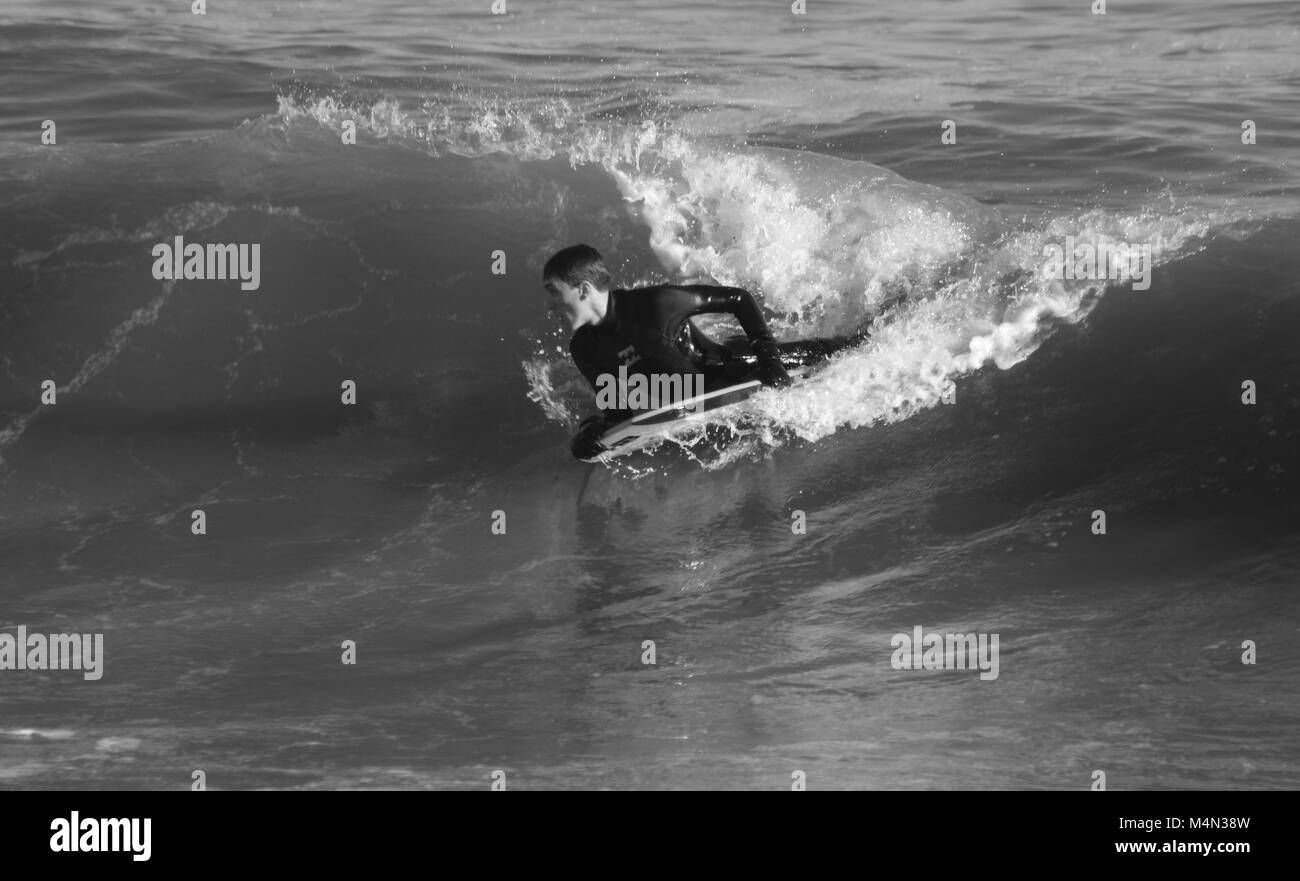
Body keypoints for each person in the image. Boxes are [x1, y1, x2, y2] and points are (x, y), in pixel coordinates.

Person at [543, 244, 866, 460]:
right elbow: (619, 411)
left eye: (554, 293)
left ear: (583, 290)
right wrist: (593, 432)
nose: (550, 305)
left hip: (737, 369)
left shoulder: (654, 306)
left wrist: (770, 361)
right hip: (688, 394)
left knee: (850, 348)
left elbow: (737, 299)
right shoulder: (583, 348)